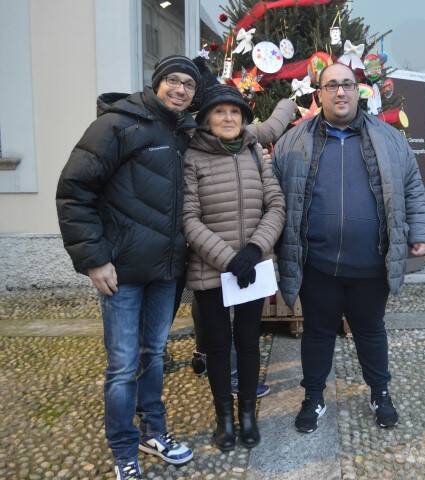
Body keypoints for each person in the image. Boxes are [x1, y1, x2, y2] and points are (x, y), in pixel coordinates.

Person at [56, 55, 201, 480]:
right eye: (172, 81)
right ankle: (124, 450)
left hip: (166, 270)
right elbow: (74, 190)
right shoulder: (117, 125)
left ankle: (152, 432)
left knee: (153, 354)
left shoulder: (186, 132)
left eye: (188, 84)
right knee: (122, 365)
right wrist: (94, 259)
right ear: (155, 84)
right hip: (119, 270)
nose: (180, 89)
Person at [272, 63, 425, 433]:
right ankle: (313, 396)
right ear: (319, 94)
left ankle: (380, 392)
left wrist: (420, 230)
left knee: (371, 331)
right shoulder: (293, 141)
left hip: (370, 264)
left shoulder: (389, 138)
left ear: (358, 90)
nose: (340, 92)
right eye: (331, 86)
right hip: (318, 264)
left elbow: (411, 186)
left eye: (346, 84)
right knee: (317, 332)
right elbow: (275, 196)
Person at [183, 84, 294, 451]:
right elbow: (188, 218)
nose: (228, 118)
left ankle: (247, 414)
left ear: (244, 119)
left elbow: (275, 205)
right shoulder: (192, 158)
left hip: (252, 267)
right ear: (206, 119)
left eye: (236, 112)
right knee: (217, 347)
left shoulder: (253, 152)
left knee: (248, 344)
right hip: (211, 270)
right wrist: (228, 259)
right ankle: (224, 420)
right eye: (220, 112)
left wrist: (254, 248)